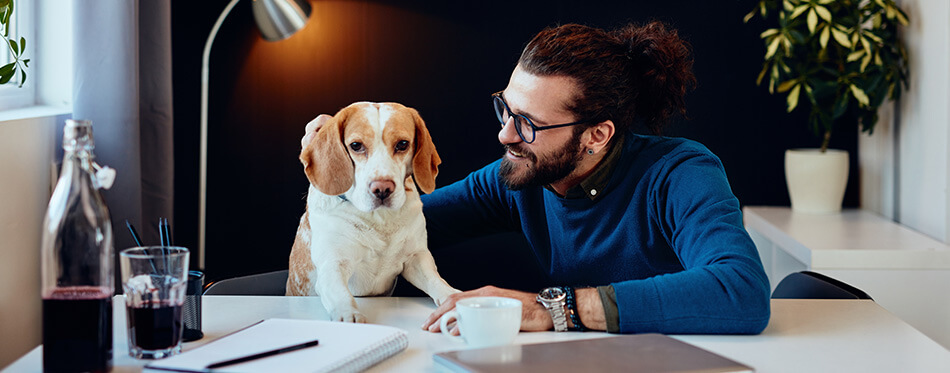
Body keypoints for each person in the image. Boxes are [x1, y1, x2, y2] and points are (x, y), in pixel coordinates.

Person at [304, 21, 770, 335]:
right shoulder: (518, 176)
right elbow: (391, 225)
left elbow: (741, 291)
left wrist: (555, 308)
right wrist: (343, 167)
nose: (505, 134)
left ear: (596, 135)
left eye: (528, 123)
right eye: (505, 108)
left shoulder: (680, 174)